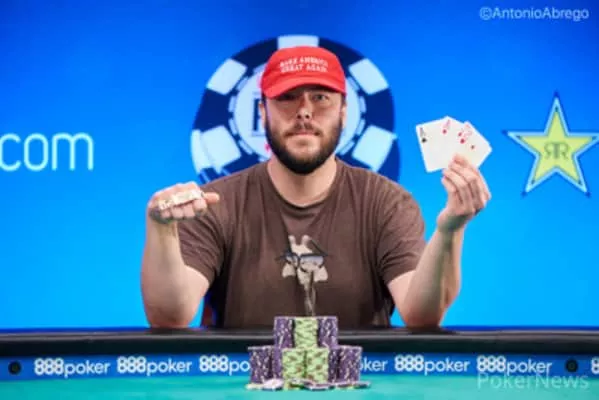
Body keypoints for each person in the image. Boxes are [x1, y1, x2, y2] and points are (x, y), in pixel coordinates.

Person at [140, 45, 491, 330]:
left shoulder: (387, 203)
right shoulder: (217, 203)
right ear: (262, 112)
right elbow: (169, 317)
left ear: (344, 112)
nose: (304, 112)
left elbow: (421, 315)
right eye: (287, 97)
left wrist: (450, 229)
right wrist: (161, 230)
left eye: (321, 98)